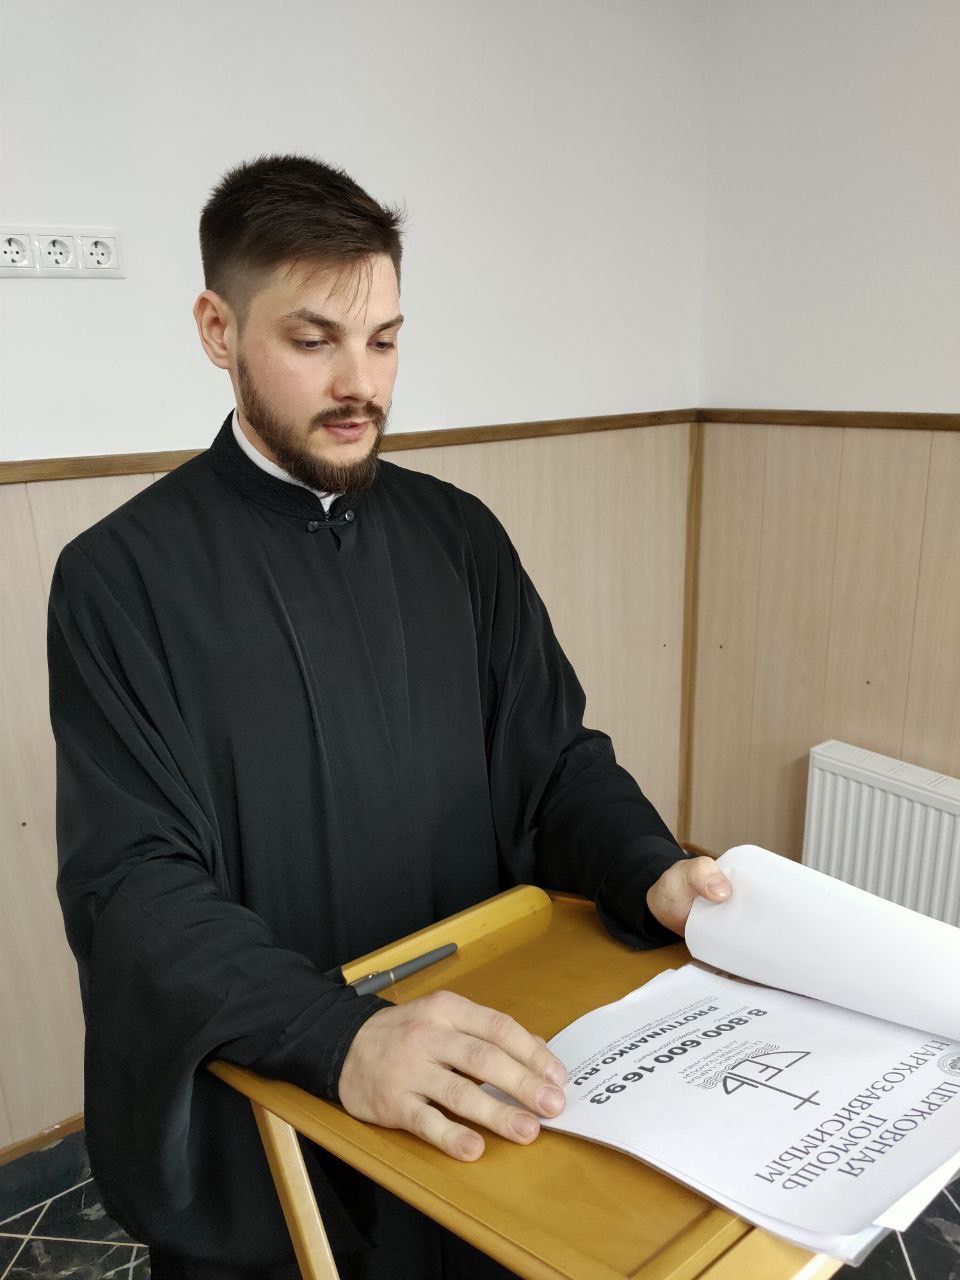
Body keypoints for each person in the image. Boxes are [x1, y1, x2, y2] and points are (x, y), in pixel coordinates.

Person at [48, 154, 732, 1280]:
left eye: (384, 340)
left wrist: (650, 866)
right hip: (285, 1078)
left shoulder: (460, 536)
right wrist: (341, 1035)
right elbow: (133, 883)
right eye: (313, 340)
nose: (358, 382)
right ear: (218, 329)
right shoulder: (121, 578)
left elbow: (554, 763)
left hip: (482, 1063)